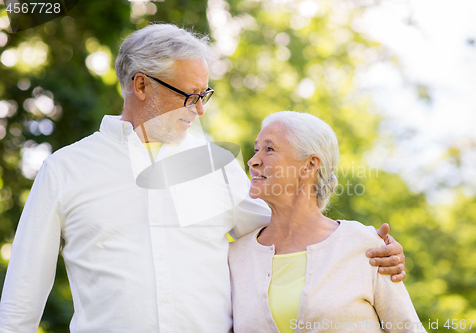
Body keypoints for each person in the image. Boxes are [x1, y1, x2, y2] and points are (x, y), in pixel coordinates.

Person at [0, 24, 405, 332]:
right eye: (189, 95)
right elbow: (22, 294)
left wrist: (365, 247)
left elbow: (288, 231)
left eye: (204, 94)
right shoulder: (67, 169)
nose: (200, 110)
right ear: (141, 85)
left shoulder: (216, 164)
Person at [229, 111, 425, 333]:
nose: (253, 161)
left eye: (269, 149)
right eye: (256, 150)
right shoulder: (236, 257)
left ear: (310, 165)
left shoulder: (365, 246)